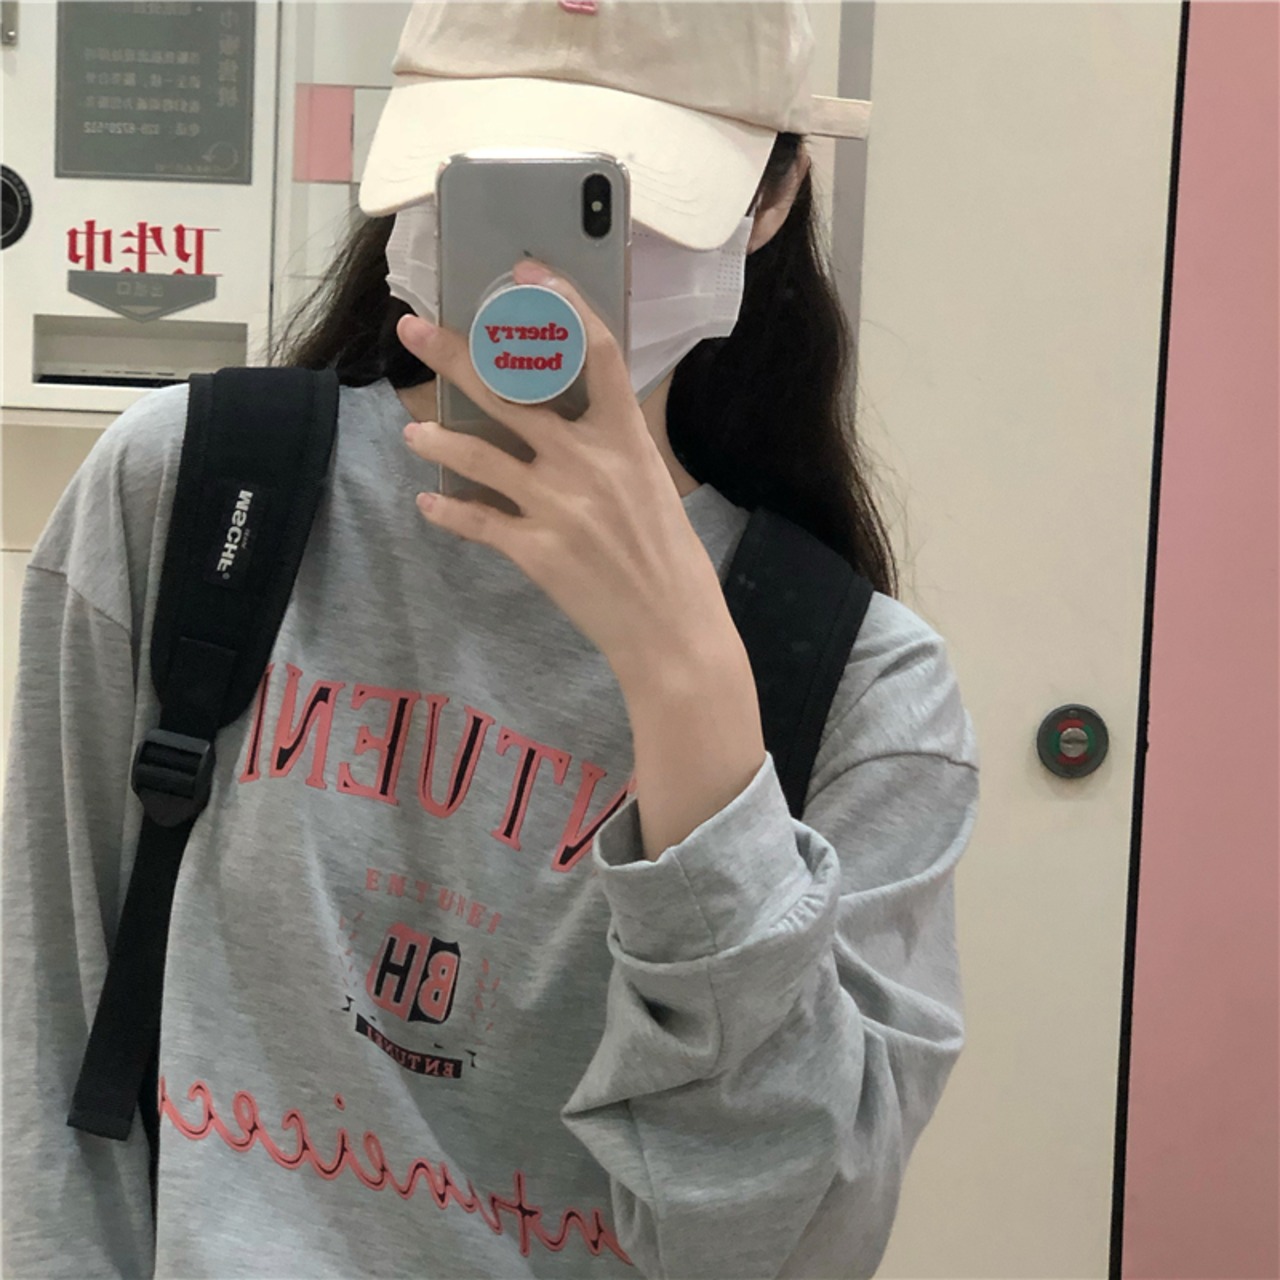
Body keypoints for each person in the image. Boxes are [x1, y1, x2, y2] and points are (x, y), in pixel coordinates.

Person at [1, 2, 980, 1277]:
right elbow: (50, 1045)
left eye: (621, 192)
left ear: (774, 192)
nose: (548, 258)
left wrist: (690, 697)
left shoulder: (867, 693)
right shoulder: (190, 494)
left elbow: (787, 1241)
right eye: (496, 170)